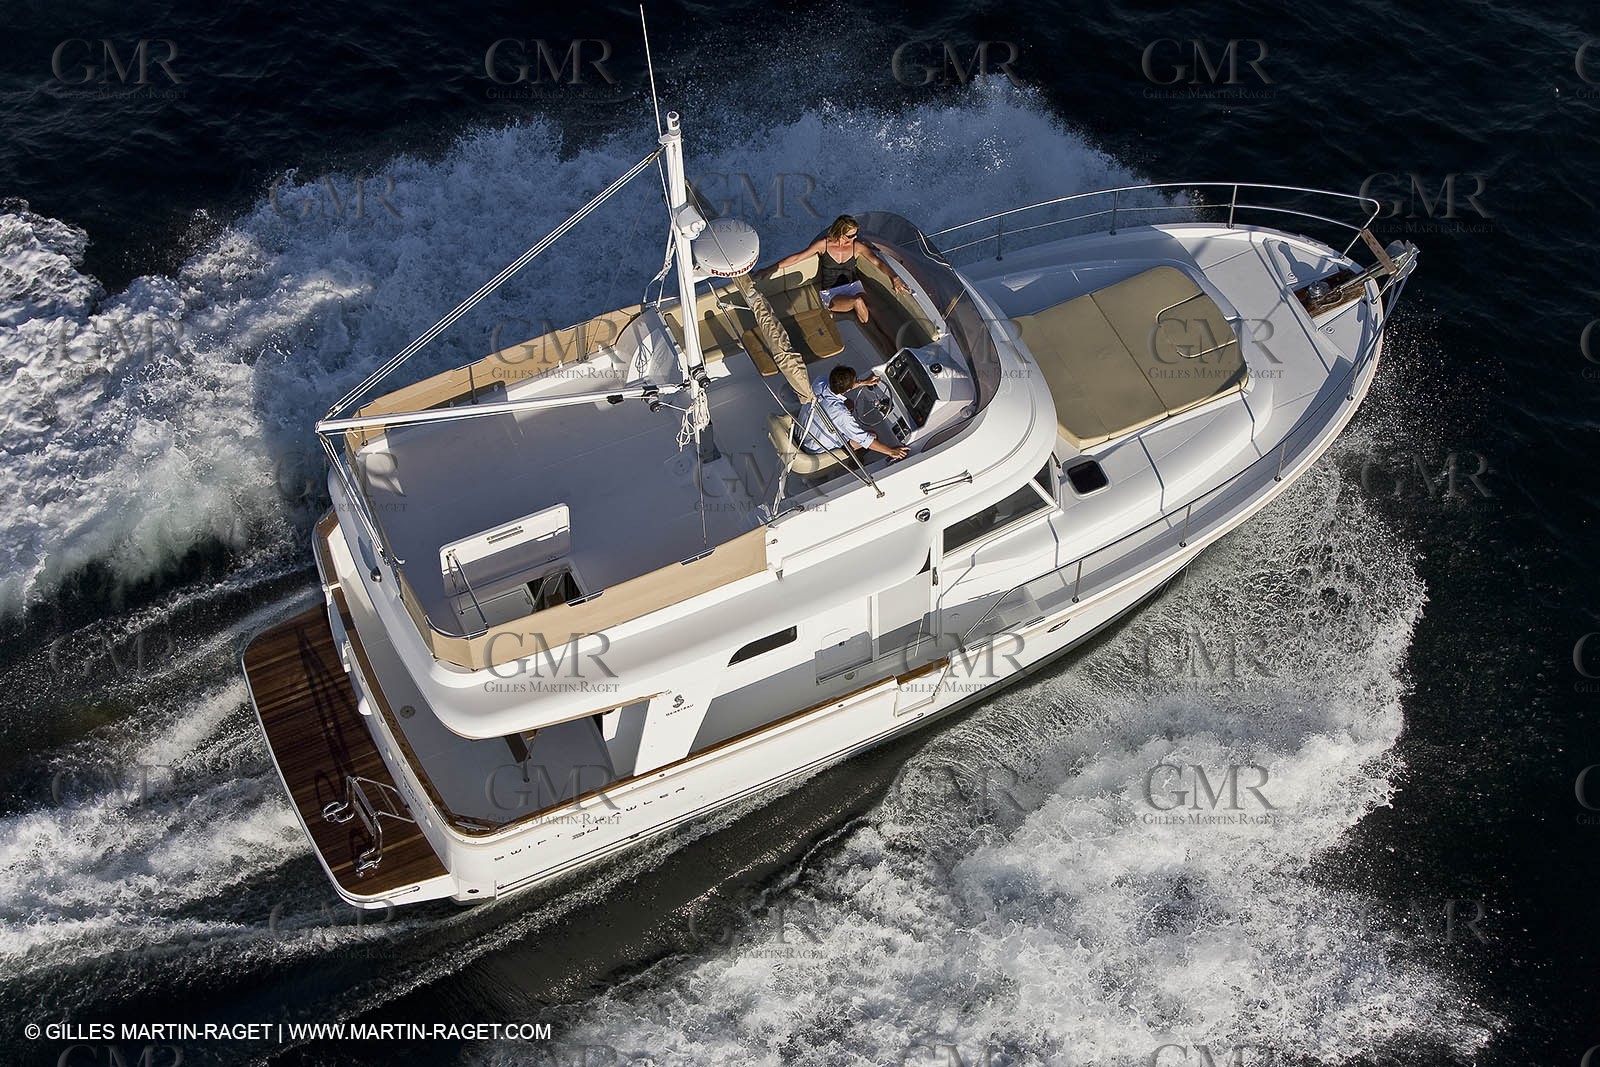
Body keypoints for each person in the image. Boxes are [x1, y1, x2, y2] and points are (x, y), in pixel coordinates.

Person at [769, 215, 910, 325]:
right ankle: (883, 343)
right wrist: (770, 268)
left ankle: (890, 343)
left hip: (853, 287)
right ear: (840, 233)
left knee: (876, 311)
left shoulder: (857, 246)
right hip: (831, 293)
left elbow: (877, 262)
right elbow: (797, 258)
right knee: (858, 302)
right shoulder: (823, 245)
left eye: (855, 234)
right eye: (850, 236)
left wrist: (895, 278)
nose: (854, 238)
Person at [797, 365, 909, 460]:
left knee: (849, 404)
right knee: (873, 435)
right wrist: (892, 452)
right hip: (816, 449)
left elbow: (843, 389)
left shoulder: (820, 381)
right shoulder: (842, 415)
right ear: (848, 389)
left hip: (802, 435)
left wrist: (863, 383)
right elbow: (866, 440)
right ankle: (854, 461)